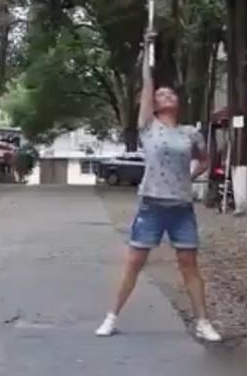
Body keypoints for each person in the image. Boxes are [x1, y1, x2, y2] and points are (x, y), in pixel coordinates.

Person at [94, 30, 222, 342]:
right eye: (160, 95)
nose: (165, 96)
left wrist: (190, 177)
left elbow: (205, 160)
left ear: (177, 103)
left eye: (170, 95)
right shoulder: (148, 128)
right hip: (151, 205)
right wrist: (147, 48)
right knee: (134, 264)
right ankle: (111, 318)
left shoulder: (190, 133)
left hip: (181, 208)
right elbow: (147, 85)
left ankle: (203, 322)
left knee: (189, 265)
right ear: (153, 105)